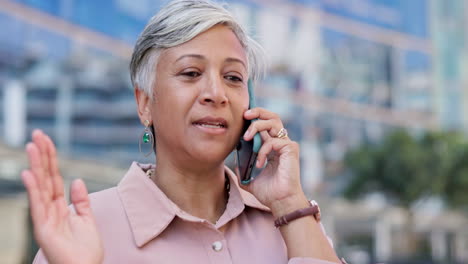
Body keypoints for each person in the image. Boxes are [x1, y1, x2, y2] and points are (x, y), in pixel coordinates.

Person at [22, 0, 345, 263]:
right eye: (191, 73)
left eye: (233, 77)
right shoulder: (83, 228)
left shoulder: (291, 223)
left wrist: (289, 202)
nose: (216, 93)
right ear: (145, 103)